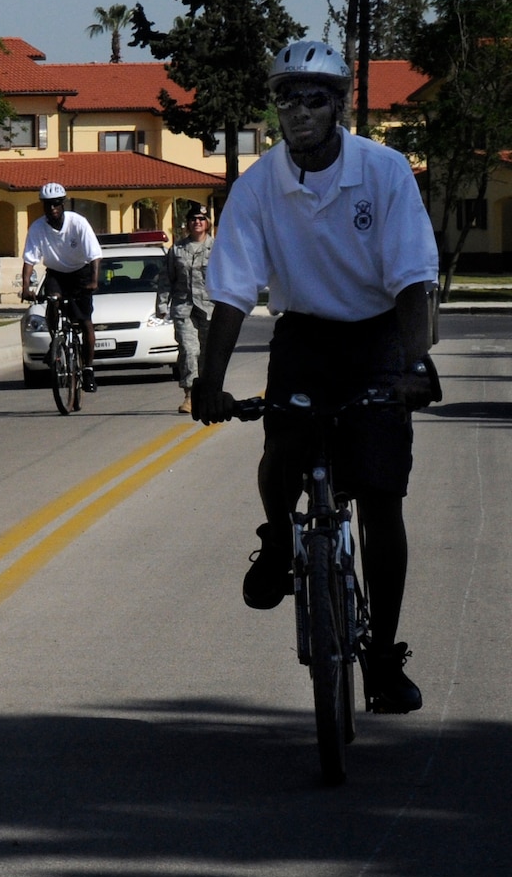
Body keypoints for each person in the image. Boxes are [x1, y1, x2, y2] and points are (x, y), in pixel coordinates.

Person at [190, 40, 441, 714]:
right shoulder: (258, 185)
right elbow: (234, 293)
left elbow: (414, 279)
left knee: (381, 495)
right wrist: (207, 383)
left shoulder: (384, 172)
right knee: (283, 447)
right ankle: (278, 541)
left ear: (339, 106)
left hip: (378, 333)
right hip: (303, 335)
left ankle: (383, 660)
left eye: (313, 98)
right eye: (285, 98)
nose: (297, 112)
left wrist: (415, 364)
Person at [19, 182, 103, 393]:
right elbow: (29, 260)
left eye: (56, 204)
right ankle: (56, 341)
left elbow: (94, 255)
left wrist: (93, 281)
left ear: (63, 204)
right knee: (52, 300)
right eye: (47, 205)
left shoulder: (78, 223)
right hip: (56, 273)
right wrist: (26, 286)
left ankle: (88, 369)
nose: (52, 209)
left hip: (81, 272)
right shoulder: (38, 228)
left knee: (84, 322)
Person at [163, 205, 216, 413]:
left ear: (207, 222)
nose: (198, 222)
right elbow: (166, 278)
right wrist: (162, 303)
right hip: (184, 306)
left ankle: (208, 393)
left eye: (202, 218)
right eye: (193, 218)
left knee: (207, 353)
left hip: (210, 307)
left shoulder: (218, 247)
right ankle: (190, 395)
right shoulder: (177, 249)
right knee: (188, 349)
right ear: (188, 223)